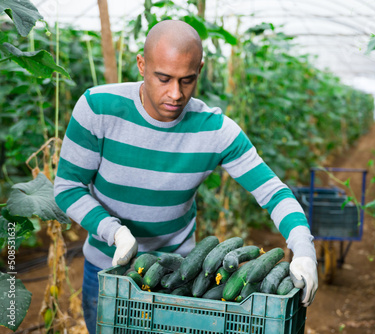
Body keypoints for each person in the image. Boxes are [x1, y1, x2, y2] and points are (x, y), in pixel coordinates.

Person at [54, 20, 318, 334]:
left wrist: (303, 249)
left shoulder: (216, 131)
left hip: (178, 280)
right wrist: (114, 232)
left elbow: (274, 193)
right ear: (141, 64)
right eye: (163, 78)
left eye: (187, 80)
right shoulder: (98, 109)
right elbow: (67, 187)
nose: (175, 94)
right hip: (108, 272)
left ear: (200, 70)